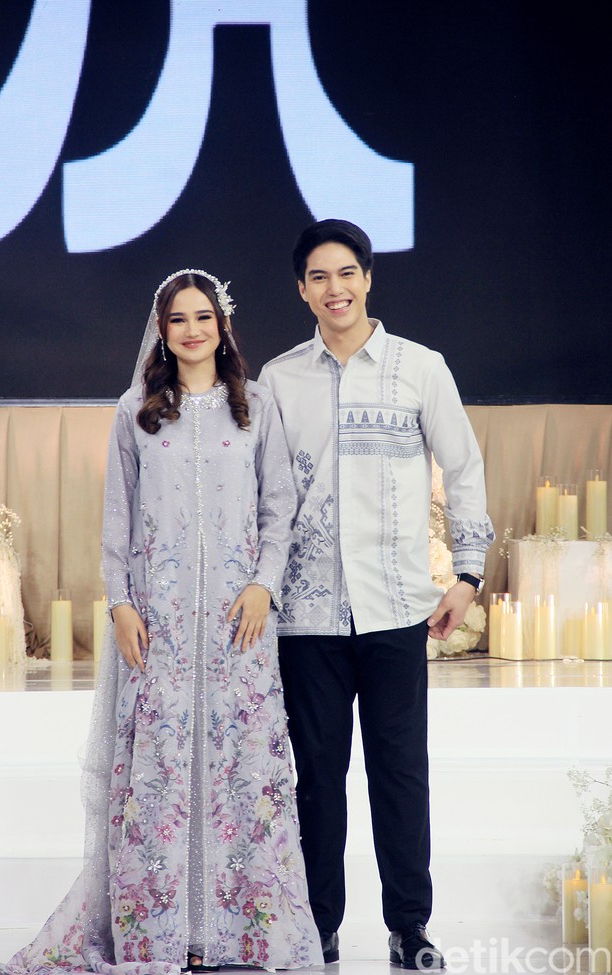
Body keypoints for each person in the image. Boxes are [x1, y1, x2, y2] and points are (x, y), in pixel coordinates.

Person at [0, 270, 323, 974]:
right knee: (159, 771)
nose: (193, 330)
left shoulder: (255, 408)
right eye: (178, 320)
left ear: (223, 327)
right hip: (156, 627)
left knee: (242, 769)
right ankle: (163, 934)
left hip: (238, 627)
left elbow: (280, 509)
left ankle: (236, 932)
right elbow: (116, 523)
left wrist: (263, 586)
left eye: (204, 317)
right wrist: (122, 603)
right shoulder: (137, 410)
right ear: (161, 330)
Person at [258, 220, 495, 970]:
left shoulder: (420, 368)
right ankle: (318, 924)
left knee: (399, 771)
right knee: (317, 777)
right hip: (305, 616)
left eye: (348, 273)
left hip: (396, 609)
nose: (336, 288)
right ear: (302, 288)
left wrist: (467, 572)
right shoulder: (276, 379)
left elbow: (463, 467)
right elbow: (258, 493)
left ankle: (409, 927)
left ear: (368, 279)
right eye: (320, 276)